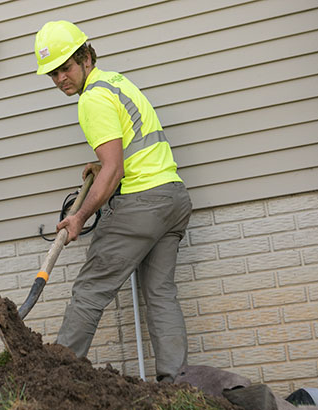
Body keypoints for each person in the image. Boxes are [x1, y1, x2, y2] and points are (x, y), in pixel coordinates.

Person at [35, 21, 193, 383]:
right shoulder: (116, 81)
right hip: (172, 198)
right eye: (53, 74)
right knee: (160, 293)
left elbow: (116, 170)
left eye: (66, 68)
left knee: (90, 289)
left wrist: (79, 217)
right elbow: (125, 149)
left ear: (86, 58)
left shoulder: (92, 99)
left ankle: (56, 382)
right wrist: (102, 164)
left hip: (142, 203)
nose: (60, 79)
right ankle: (176, 383)